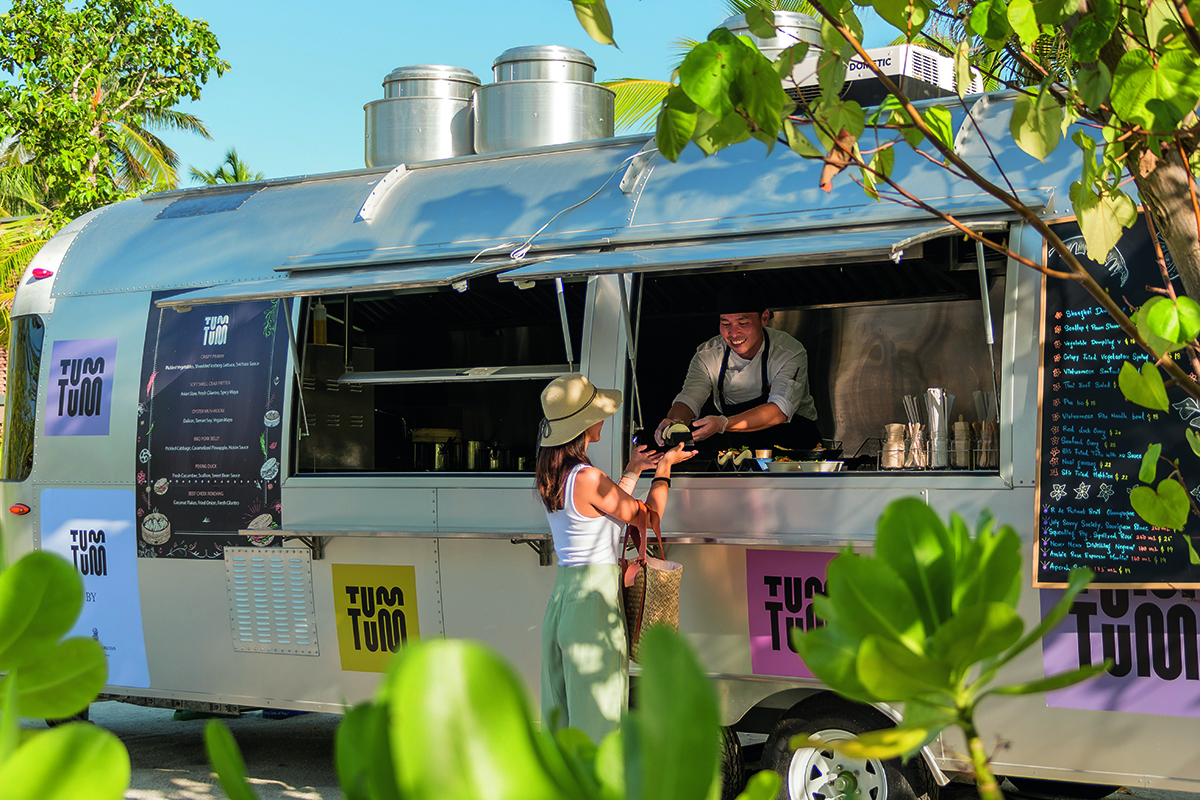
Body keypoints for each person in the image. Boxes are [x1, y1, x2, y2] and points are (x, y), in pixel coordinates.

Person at [535, 372, 692, 741]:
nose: (605, 417)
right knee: (599, 729)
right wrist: (665, 469)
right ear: (585, 423)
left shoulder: (556, 473)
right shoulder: (588, 477)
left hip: (562, 601)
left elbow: (602, 514)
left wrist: (635, 469)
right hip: (592, 607)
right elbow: (648, 516)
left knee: (564, 726)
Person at [654, 285, 819, 452]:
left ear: (764, 318)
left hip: (798, 450)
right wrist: (675, 421)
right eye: (726, 324)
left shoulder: (788, 351)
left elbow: (780, 410)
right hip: (744, 452)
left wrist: (722, 424)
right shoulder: (708, 354)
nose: (733, 333)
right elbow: (689, 398)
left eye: (743, 323)